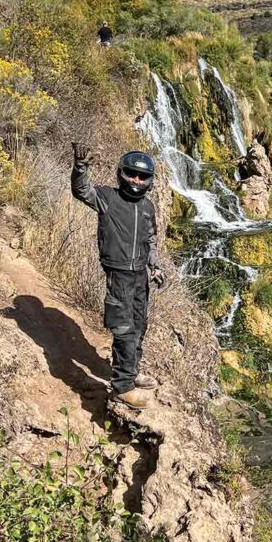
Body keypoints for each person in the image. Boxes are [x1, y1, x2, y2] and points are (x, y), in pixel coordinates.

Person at [71, 142, 164, 407]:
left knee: (139, 325)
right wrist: (80, 167)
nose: (136, 180)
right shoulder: (107, 198)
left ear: (149, 180)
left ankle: (130, 372)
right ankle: (122, 387)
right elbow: (81, 190)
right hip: (119, 274)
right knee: (124, 328)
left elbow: (150, 240)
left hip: (140, 276)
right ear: (121, 173)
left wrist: (154, 266)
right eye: (132, 174)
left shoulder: (148, 207)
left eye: (142, 176)